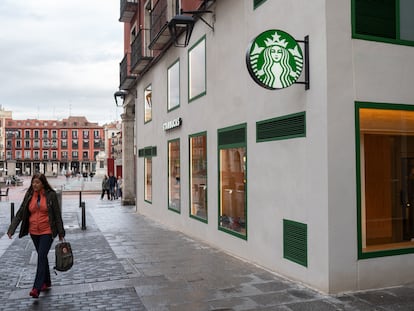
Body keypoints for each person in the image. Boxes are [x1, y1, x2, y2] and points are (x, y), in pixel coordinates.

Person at [7, 173, 65, 299]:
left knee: (41, 256)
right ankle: (47, 282)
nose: (34, 184)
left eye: (37, 182)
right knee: (42, 256)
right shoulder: (29, 195)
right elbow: (20, 212)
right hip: (34, 232)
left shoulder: (51, 195)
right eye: (33, 182)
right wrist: (12, 229)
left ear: (43, 183)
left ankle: (36, 288)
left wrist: (61, 232)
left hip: (47, 231)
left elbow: (57, 214)